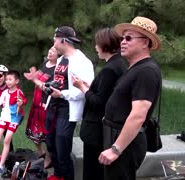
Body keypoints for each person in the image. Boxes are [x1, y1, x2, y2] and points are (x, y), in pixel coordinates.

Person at [98, 16, 162, 180]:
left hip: (125, 144)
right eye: (122, 38)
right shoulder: (135, 68)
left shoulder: (146, 71)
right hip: (116, 136)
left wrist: (116, 149)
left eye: (128, 38)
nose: (122, 42)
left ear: (145, 42)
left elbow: (138, 115)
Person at [72, 28, 127, 180]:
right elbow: (106, 94)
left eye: (97, 44)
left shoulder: (109, 69)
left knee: (92, 172)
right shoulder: (119, 64)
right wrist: (90, 87)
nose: (96, 48)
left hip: (96, 131)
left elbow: (98, 103)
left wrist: (81, 87)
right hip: (103, 130)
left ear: (105, 45)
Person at [45, 26, 94, 180]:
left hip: (67, 110)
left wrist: (63, 94)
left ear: (63, 41)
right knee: (51, 144)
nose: (53, 45)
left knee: (62, 148)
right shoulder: (61, 59)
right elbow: (61, 81)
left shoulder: (82, 61)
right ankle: (58, 175)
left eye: (55, 41)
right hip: (53, 107)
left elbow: (86, 90)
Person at [23, 46, 58, 168]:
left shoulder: (57, 69)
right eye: (49, 49)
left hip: (45, 105)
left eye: (54, 50)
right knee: (32, 131)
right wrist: (33, 74)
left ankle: (49, 157)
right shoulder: (45, 63)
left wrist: (34, 79)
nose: (50, 51)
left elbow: (47, 88)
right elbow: (38, 75)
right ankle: (41, 152)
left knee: (46, 134)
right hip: (36, 103)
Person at [0, 64, 14, 152]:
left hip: (14, 116)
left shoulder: (11, 87)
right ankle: (9, 155)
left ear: (5, 76)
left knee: (7, 138)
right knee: (6, 138)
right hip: (5, 116)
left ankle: (10, 155)